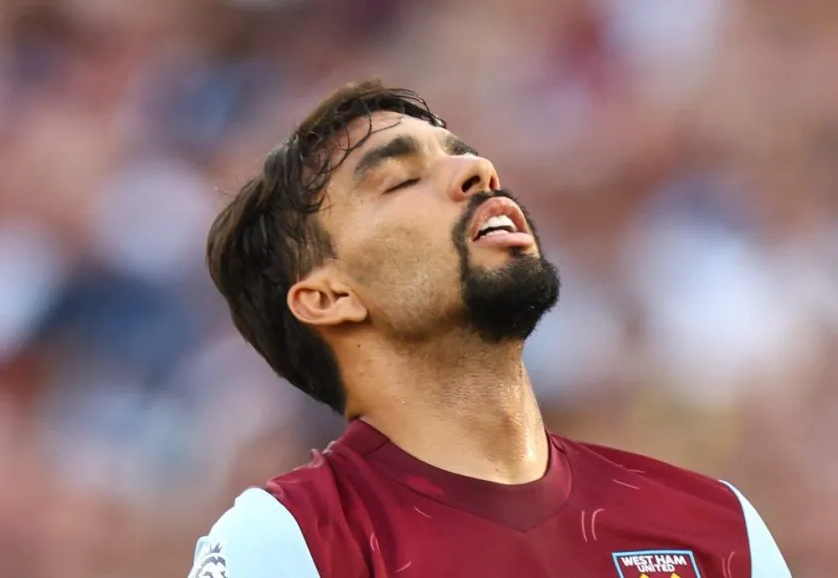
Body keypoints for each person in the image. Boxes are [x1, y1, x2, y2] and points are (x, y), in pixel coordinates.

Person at [190, 80, 791, 578]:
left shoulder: (719, 526)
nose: (478, 169)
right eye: (400, 179)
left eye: (462, 153)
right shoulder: (288, 543)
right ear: (330, 297)